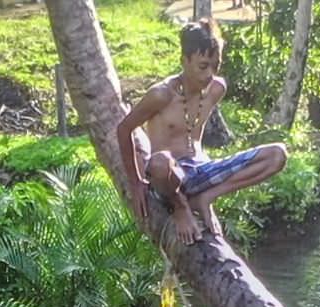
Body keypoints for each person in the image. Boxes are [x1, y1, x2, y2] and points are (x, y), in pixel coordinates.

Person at [113, 24, 290, 247]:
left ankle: (206, 198)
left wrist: (209, 189)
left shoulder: (216, 89)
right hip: (168, 178)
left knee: (277, 155)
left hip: (202, 171)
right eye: (203, 66)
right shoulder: (161, 95)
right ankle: (181, 206)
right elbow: (124, 129)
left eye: (215, 66)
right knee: (160, 162)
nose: (209, 74)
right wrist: (136, 183)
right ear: (184, 61)